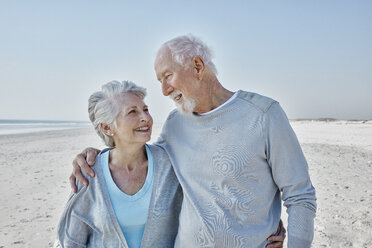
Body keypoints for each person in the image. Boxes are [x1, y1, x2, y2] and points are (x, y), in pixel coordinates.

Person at [71, 34, 315, 247]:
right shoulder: (176, 123)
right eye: (160, 82)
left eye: (168, 76)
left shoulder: (263, 114)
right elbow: (143, 155)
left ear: (198, 66)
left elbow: (300, 195)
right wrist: (97, 154)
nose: (165, 90)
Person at [56, 81, 182, 247]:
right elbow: (71, 241)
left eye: (145, 110)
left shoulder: (170, 163)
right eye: (132, 112)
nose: (145, 118)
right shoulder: (89, 173)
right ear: (107, 128)